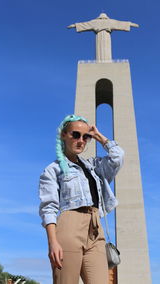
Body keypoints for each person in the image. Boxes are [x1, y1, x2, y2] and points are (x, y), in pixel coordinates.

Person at [39, 114, 124, 284]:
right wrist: (53, 242)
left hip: (95, 229)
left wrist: (99, 137)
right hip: (69, 227)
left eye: (86, 137)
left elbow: (117, 157)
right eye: (75, 135)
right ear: (64, 135)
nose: (81, 141)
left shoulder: (94, 166)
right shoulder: (53, 170)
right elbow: (48, 208)